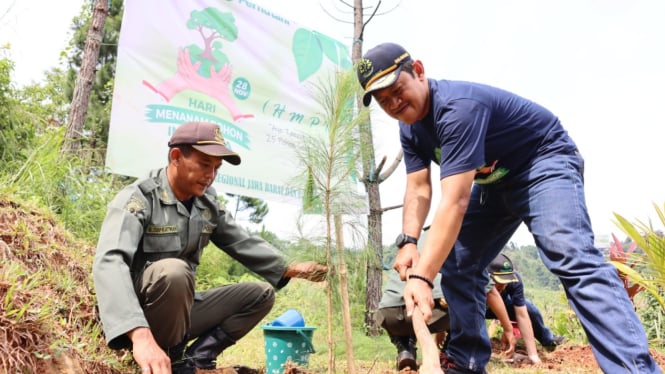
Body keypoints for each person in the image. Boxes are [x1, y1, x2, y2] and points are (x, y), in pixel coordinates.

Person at [356, 43, 660, 373]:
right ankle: (465, 362)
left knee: (570, 255)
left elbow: (455, 201)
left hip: (542, 162)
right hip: (494, 181)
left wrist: (422, 277)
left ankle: (633, 368)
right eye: (384, 102)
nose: (394, 103)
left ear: (418, 70)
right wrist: (409, 242)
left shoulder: (457, 108)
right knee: (458, 261)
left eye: (397, 91)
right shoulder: (410, 128)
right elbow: (418, 186)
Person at [92, 121, 327, 374]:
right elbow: (110, 262)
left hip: (182, 311)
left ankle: (194, 360)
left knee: (261, 295)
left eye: (216, 168)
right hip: (139, 315)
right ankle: (162, 353)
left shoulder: (207, 203)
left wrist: (291, 268)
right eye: (204, 165)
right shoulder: (139, 198)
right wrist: (139, 336)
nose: (211, 175)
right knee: (174, 271)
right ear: (176, 157)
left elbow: (239, 240)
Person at [378, 230, 517, 371]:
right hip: (431, 311)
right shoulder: (461, 238)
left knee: (408, 301)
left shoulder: (415, 242)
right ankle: (452, 356)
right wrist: (508, 329)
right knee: (471, 296)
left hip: (389, 316)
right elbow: (490, 292)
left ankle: (406, 349)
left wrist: (441, 331)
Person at [486, 253, 565, 363]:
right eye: (500, 282)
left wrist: (533, 355)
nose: (503, 286)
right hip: (477, 306)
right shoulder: (476, 278)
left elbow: (522, 315)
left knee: (529, 309)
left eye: (506, 282)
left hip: (502, 305)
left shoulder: (515, 281)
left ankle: (548, 340)